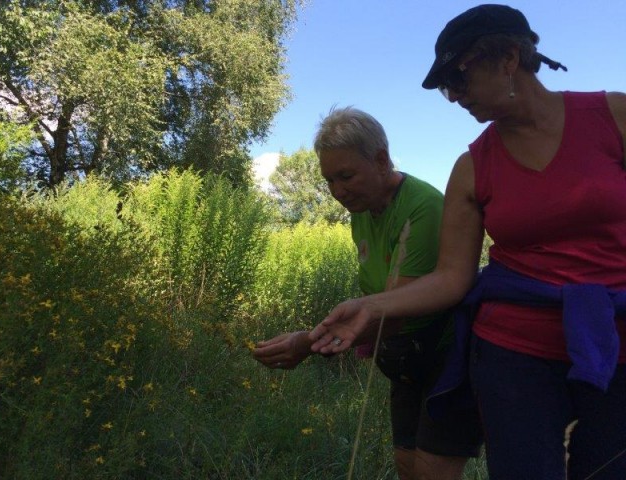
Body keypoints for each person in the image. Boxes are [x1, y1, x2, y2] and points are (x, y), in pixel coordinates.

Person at [310, 4, 626, 480]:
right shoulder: (472, 166)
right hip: (514, 356)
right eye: (445, 89)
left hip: (618, 339)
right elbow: (452, 277)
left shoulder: (614, 117)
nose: (454, 97)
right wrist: (372, 307)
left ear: (508, 58)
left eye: (459, 79)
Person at [253, 107, 482, 480]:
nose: (337, 192)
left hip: (445, 355)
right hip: (404, 360)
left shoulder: (422, 209)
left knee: (431, 471)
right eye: (329, 180)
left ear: (380, 160)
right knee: (406, 466)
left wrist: (307, 344)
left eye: (345, 176)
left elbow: (396, 313)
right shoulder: (362, 209)